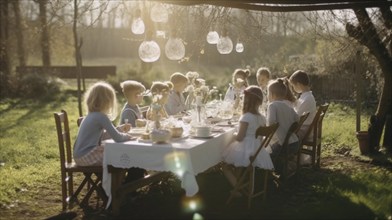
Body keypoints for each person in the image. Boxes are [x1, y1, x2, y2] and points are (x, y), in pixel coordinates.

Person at [222, 85, 274, 187]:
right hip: (257, 149)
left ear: (245, 100)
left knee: (225, 167)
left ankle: (237, 188)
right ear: (259, 102)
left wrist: (233, 134)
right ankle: (239, 182)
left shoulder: (246, 117)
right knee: (239, 163)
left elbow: (240, 137)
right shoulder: (262, 118)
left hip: (246, 149)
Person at [73, 81, 133, 167]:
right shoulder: (101, 117)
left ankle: (118, 179)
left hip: (79, 156)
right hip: (87, 156)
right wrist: (130, 137)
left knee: (116, 153)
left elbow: (103, 136)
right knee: (121, 156)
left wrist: (119, 129)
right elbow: (118, 138)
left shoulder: (91, 115)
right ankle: (118, 180)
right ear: (107, 101)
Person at [266, 79, 299, 172]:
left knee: (265, 153)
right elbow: (297, 119)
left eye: (268, 93)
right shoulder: (288, 105)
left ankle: (270, 173)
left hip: (283, 145)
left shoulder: (272, 105)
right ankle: (286, 166)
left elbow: (271, 123)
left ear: (272, 94)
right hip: (294, 143)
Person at [289, 70, 317, 165]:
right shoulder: (306, 96)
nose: (293, 88)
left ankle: (289, 159)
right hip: (306, 127)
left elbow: (296, 117)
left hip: (304, 130)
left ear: (299, 84)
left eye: (293, 86)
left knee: (284, 134)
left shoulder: (306, 99)